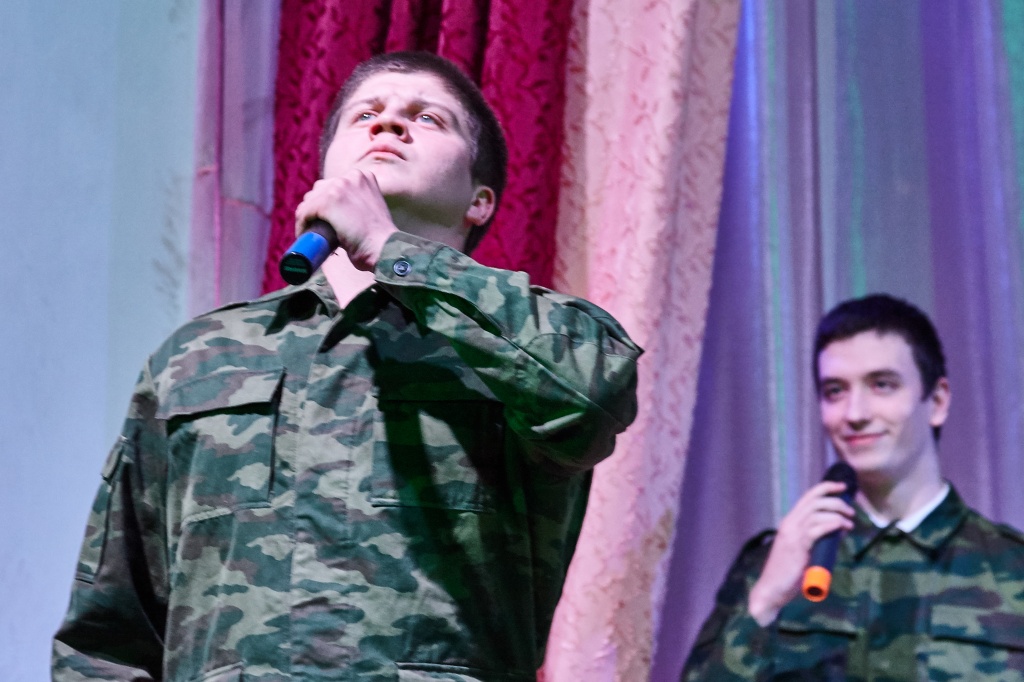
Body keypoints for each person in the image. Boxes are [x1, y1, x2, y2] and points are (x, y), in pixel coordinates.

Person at [53, 51, 641, 682]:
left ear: (480, 200)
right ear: (325, 173)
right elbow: (107, 638)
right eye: (365, 115)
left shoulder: (527, 339)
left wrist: (390, 248)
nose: (388, 124)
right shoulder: (201, 356)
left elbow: (591, 397)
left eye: (428, 118)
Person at [682, 294, 1024, 680]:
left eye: (882, 385)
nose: (855, 414)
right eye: (835, 391)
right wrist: (765, 601)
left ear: (938, 401)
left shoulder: (1012, 567)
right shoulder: (777, 564)